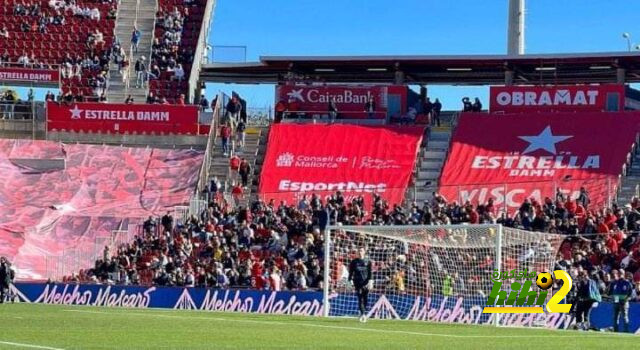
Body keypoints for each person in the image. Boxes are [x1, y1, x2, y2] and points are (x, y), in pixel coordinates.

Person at [348, 247, 372, 323]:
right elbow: (351, 272)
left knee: (365, 299)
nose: (360, 252)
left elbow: (370, 273)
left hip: (366, 283)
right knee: (360, 298)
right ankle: (363, 315)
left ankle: (362, 312)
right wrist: (349, 281)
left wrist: (370, 281)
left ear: (364, 252)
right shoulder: (354, 262)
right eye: (359, 251)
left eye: (361, 250)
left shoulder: (368, 261)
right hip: (357, 283)